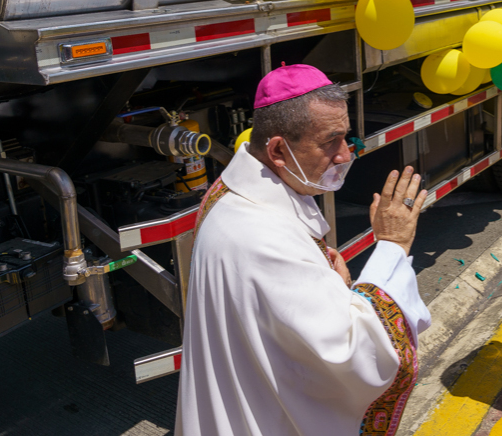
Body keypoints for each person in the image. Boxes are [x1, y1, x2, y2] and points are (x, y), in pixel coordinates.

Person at [176, 64, 430, 436]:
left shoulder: (234, 190)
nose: (345, 155)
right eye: (331, 141)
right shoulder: (261, 235)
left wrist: (326, 279)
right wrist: (392, 245)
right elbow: (352, 354)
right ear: (278, 149)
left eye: (347, 138)